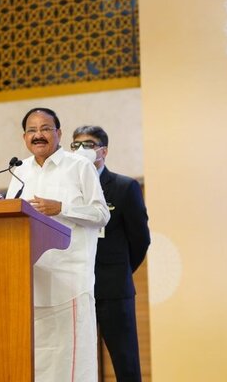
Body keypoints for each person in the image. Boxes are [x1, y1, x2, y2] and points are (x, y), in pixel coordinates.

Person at [6, 108, 110, 382]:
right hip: (31, 286)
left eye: (45, 128)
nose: (38, 135)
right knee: (37, 365)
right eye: (32, 130)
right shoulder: (19, 171)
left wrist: (62, 208)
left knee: (71, 365)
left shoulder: (79, 166)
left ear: (59, 133)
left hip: (70, 284)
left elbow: (102, 214)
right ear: (24, 137)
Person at [71, 125, 150, 382]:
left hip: (113, 290)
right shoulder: (68, 188)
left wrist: (120, 271)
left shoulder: (124, 187)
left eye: (88, 145)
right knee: (76, 362)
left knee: (125, 362)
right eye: (75, 145)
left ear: (103, 151)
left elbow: (140, 240)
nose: (81, 150)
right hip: (75, 288)